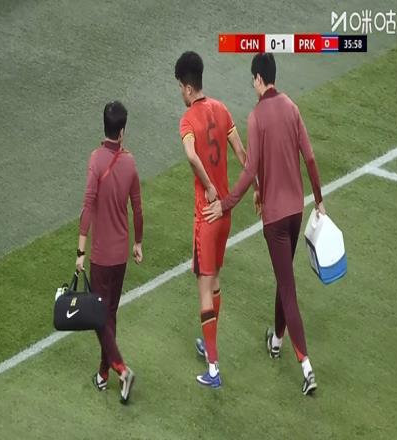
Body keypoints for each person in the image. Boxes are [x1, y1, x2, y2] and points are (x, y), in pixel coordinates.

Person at [203, 53, 325, 396]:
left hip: (274, 219)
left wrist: (226, 203)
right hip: (296, 211)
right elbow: (310, 157)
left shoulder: (256, 117)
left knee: (287, 287)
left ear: (258, 78)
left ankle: (306, 367)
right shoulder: (292, 108)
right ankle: (276, 340)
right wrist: (319, 199)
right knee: (283, 278)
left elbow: (249, 170)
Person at [174, 51, 246, 388]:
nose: (180, 92)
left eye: (180, 87)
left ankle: (213, 369)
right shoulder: (222, 109)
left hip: (206, 215)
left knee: (204, 288)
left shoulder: (188, 120)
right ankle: (209, 343)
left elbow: (191, 155)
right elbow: (242, 153)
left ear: (188, 88)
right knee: (215, 281)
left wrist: (208, 186)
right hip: (226, 215)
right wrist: (257, 186)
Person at [76, 101, 143, 404]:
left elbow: (87, 205)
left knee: (98, 318)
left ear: (103, 126)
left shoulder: (95, 159)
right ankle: (103, 374)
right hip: (121, 255)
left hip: (101, 255)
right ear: (122, 131)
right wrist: (138, 243)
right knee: (110, 314)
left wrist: (80, 250)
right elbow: (137, 208)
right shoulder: (129, 162)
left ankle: (121, 369)